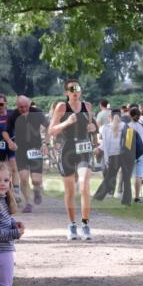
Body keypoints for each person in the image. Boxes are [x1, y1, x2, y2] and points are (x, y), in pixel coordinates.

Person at [49, 79, 99, 241]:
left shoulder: (88, 106)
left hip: (84, 147)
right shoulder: (62, 107)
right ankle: (72, 224)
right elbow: (52, 130)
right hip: (68, 149)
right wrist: (66, 122)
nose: (75, 91)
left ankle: (85, 225)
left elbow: (91, 127)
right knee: (70, 191)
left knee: (84, 186)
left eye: (77, 88)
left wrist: (93, 129)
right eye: (71, 89)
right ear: (66, 93)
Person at [8, 96, 48, 213]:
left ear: (29, 105)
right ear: (17, 106)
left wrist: (45, 143)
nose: (24, 109)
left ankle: (36, 190)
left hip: (35, 149)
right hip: (20, 150)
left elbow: (48, 126)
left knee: (36, 180)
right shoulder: (14, 115)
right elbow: (6, 130)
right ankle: (28, 203)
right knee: (24, 178)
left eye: (26, 106)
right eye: (21, 107)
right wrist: (10, 142)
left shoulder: (37, 112)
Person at [0, 94, 20, 203]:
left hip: (11, 144)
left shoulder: (12, 114)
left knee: (13, 167)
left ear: (6, 103)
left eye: (1, 104)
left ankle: (16, 192)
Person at [94, 111, 125, 202]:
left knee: (110, 176)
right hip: (122, 154)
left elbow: (105, 144)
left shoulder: (105, 128)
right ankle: (103, 195)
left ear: (110, 117)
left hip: (112, 155)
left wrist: (106, 156)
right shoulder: (125, 127)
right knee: (111, 176)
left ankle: (100, 195)